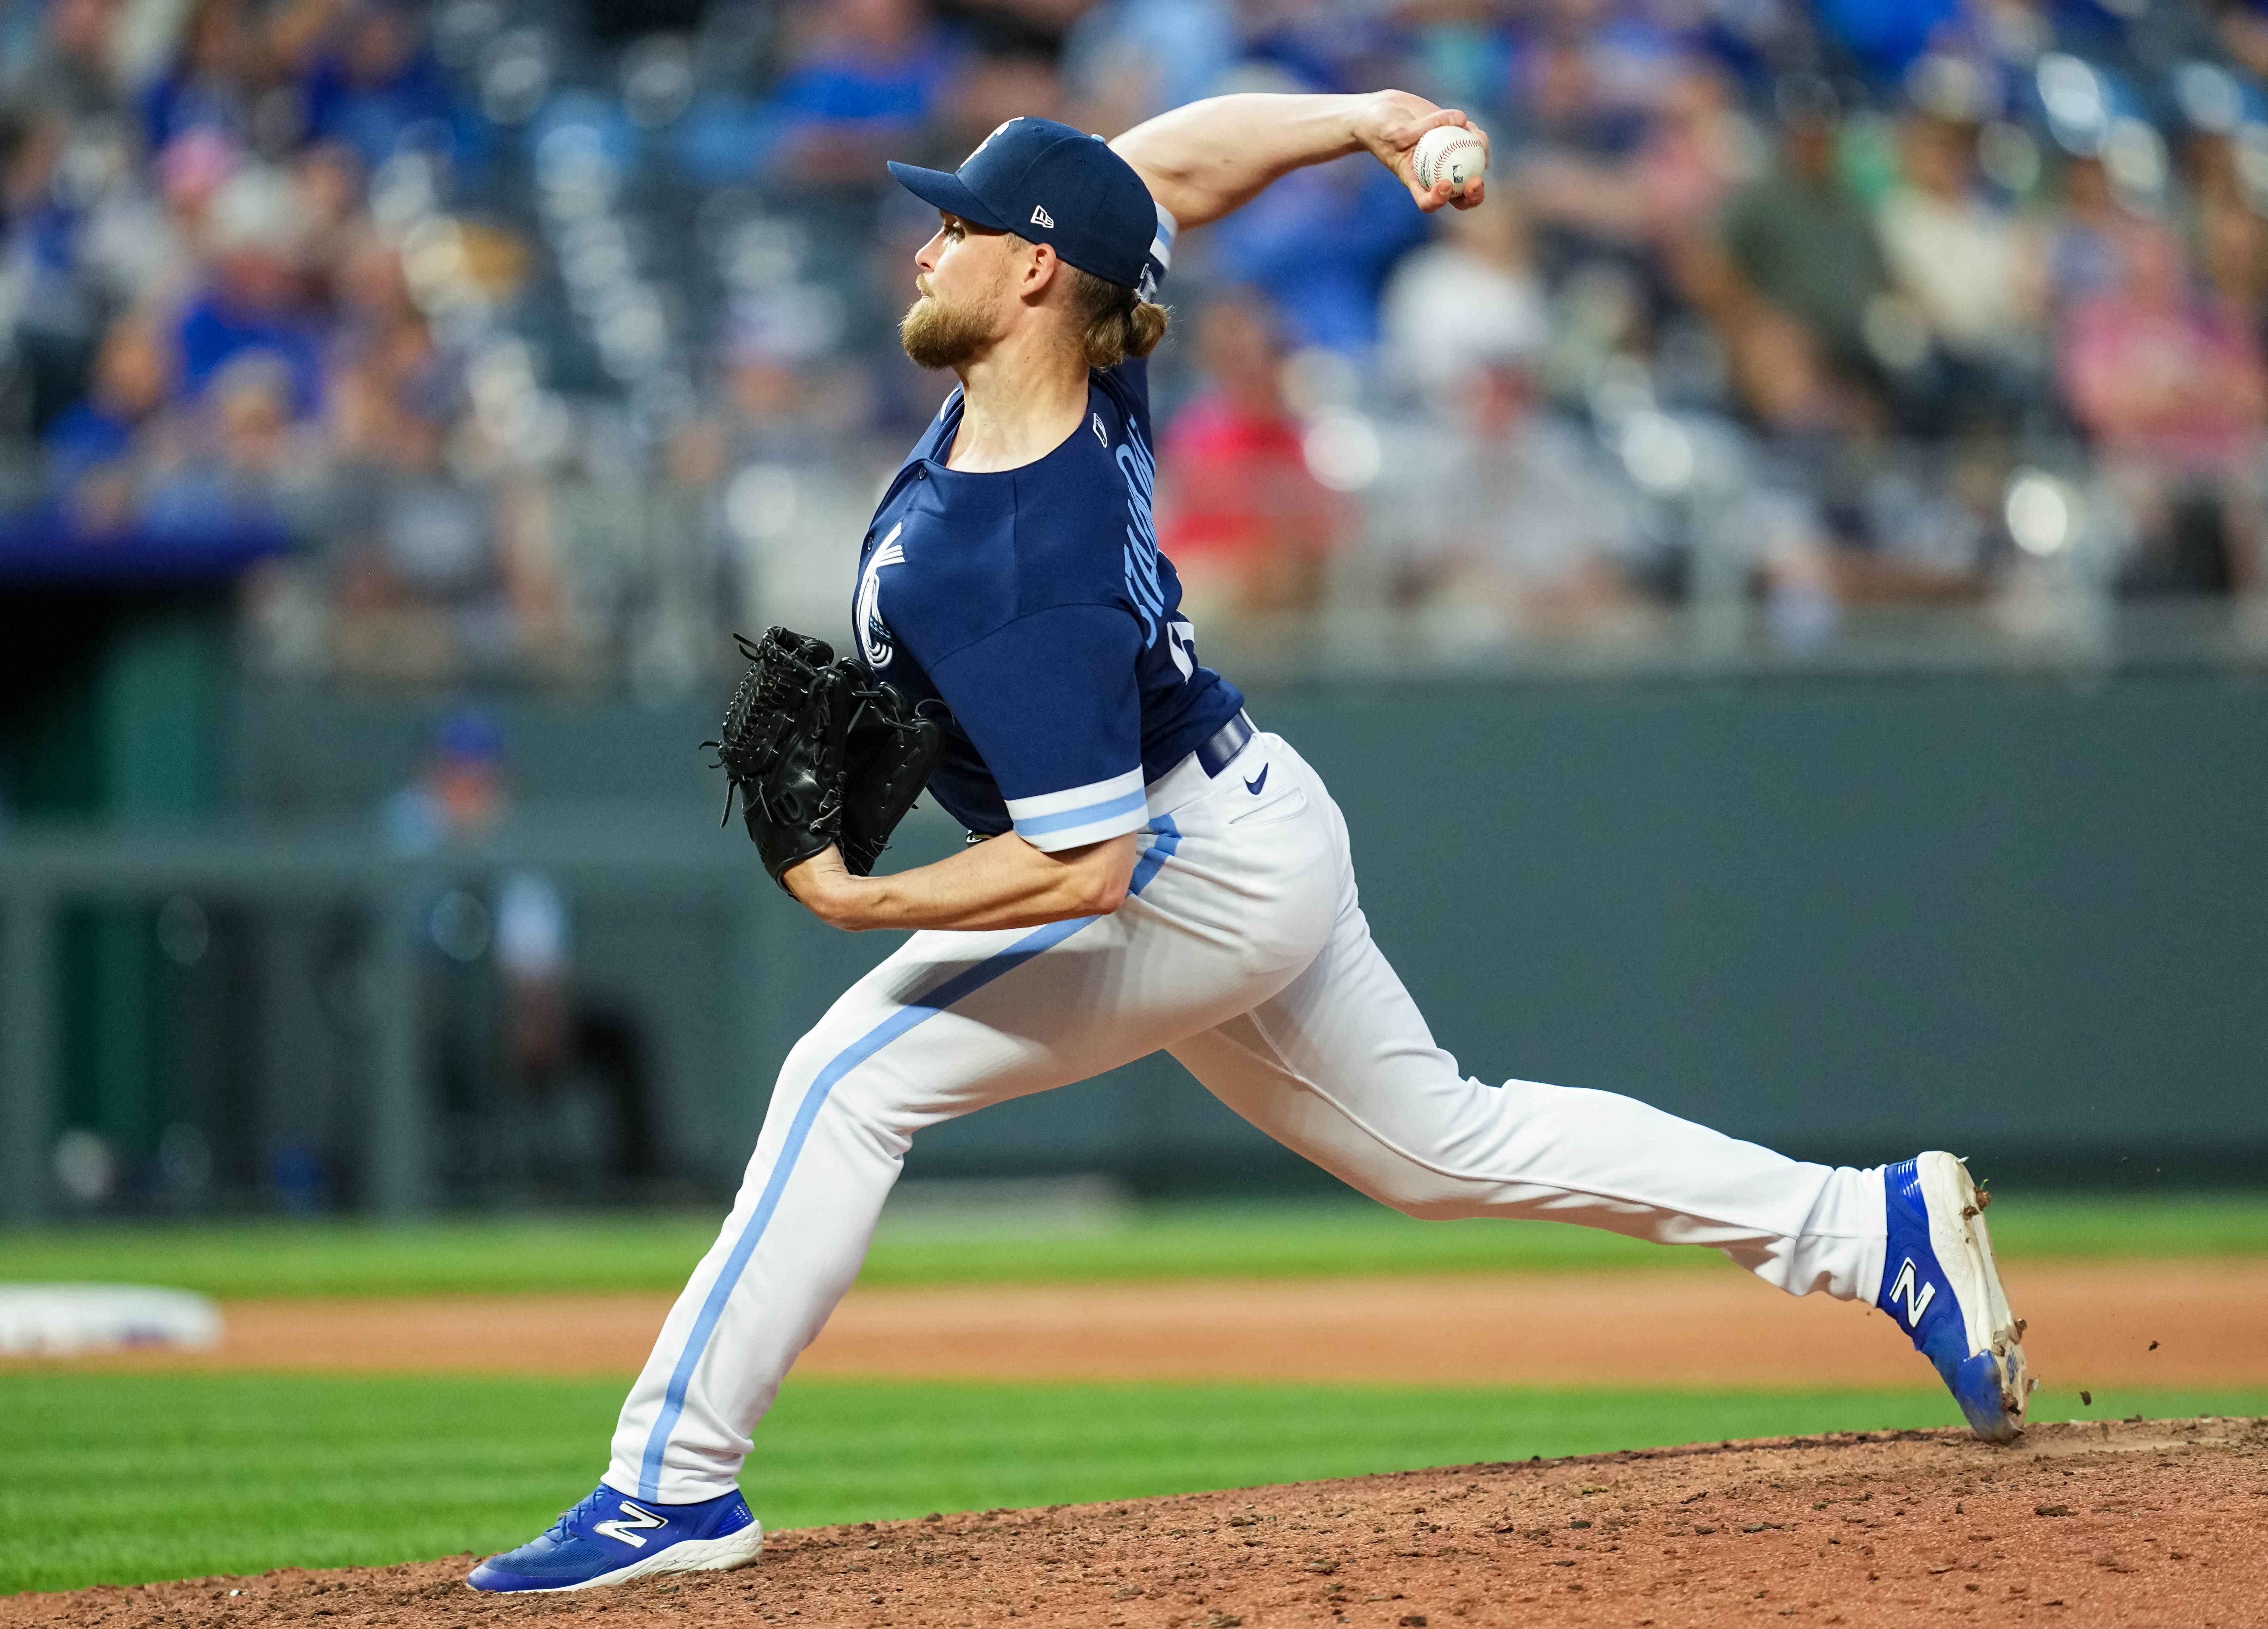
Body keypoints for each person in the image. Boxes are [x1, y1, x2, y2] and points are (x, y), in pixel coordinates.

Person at [465, 91, 2030, 1595]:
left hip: (1177, 869)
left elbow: (1080, 867)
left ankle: (666, 1485)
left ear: (1031, 274)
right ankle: (1866, 1225)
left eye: (957, 228)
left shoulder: (1016, 546)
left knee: (843, 1085)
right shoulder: (1068, 368)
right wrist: (1364, 116)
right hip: (1243, 814)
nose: (925, 246)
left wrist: (871, 897)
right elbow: (1172, 172)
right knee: (1446, 1144)